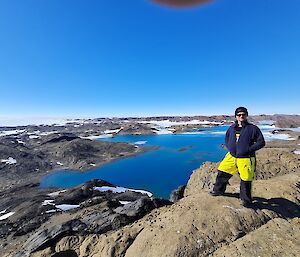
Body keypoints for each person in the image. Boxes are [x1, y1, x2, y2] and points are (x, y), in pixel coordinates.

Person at [210, 107, 265, 207]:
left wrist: (248, 149)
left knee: (246, 179)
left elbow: (261, 142)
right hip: (232, 156)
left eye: (243, 114)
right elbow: (227, 138)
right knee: (222, 171)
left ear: (246, 115)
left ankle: (246, 200)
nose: (241, 116)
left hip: (246, 158)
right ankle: (218, 191)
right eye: (239, 115)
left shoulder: (253, 128)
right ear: (236, 116)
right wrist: (230, 147)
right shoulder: (232, 128)